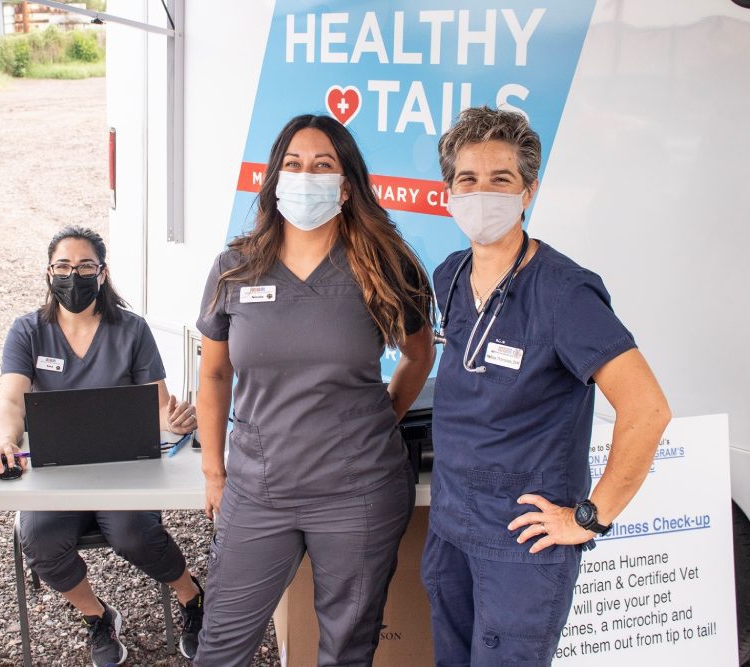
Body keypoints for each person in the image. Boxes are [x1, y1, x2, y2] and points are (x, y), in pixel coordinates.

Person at [423, 106, 671, 665]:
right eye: (468, 179)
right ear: (448, 193)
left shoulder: (565, 294)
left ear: (529, 191)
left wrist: (589, 517)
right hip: (451, 532)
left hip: (521, 549)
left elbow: (647, 410)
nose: (482, 193)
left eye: (501, 180)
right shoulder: (450, 276)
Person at [194, 114, 436, 665]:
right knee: (221, 646)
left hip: (358, 492)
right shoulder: (235, 267)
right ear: (275, 178)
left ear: (346, 184)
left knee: (347, 649)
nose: (307, 176)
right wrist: (214, 472)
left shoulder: (383, 265)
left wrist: (382, 416)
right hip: (258, 491)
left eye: (323, 165)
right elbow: (213, 374)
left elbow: (420, 355)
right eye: (294, 165)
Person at [0, 225, 205, 665]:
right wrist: (3, 440)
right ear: (49, 273)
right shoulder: (28, 331)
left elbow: (159, 406)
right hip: (55, 471)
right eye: (63, 266)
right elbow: (11, 398)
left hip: (123, 468)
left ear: (102, 273)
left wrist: (177, 421)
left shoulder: (131, 329)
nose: (74, 275)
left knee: (133, 535)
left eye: (85, 266)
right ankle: (98, 615)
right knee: (40, 542)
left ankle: (191, 596)